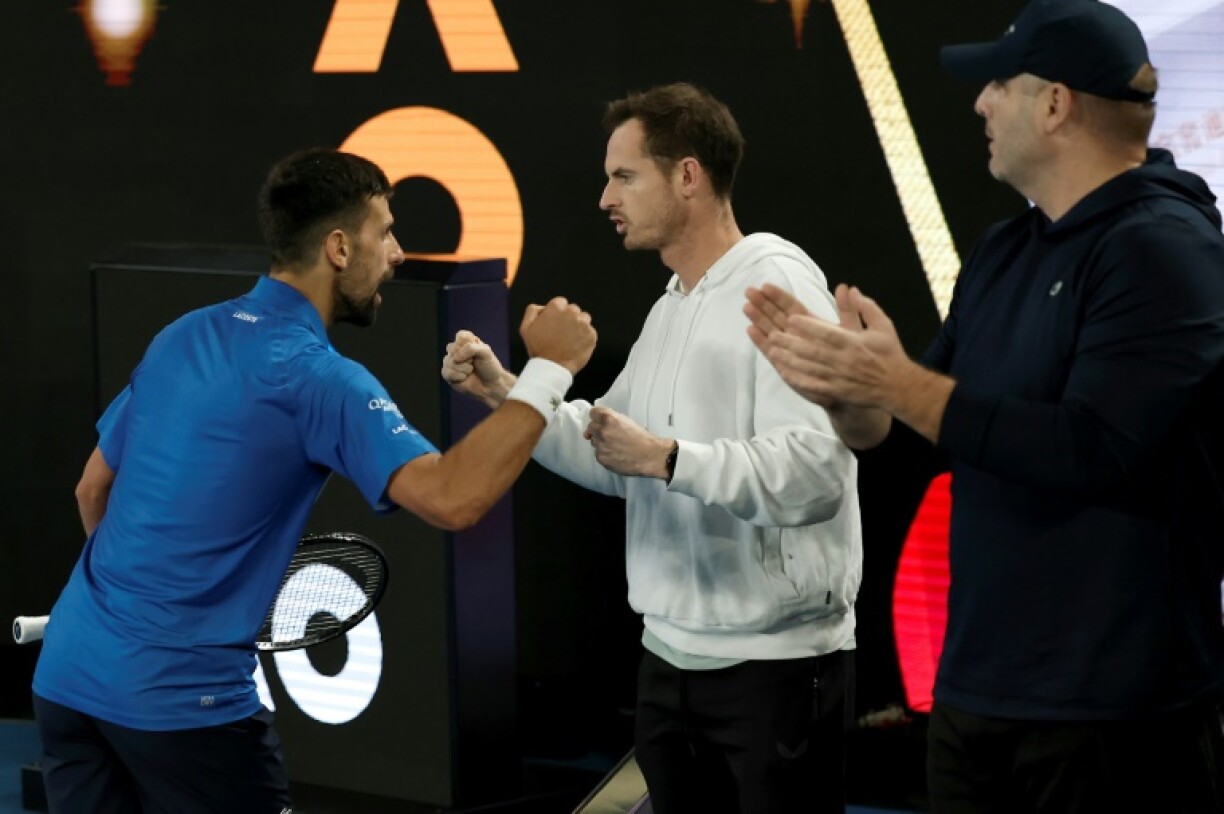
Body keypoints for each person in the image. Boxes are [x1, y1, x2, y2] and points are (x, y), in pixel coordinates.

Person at [745, 1, 1224, 811]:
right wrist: (846, 394)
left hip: (1116, 715)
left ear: (1055, 104)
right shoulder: (1005, 250)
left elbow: (1091, 448)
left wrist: (894, 381)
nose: (979, 104)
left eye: (998, 84)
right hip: (976, 697)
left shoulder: (1165, 249)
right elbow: (922, 431)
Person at [31, 148, 597, 814]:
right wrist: (549, 370)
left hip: (68, 676)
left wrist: (129, 619)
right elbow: (453, 498)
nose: (398, 253)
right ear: (337, 247)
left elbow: (92, 490)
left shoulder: (180, 336)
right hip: (187, 709)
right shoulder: (321, 380)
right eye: (384, 232)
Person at [442, 82, 861, 814]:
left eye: (624, 175)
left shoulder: (778, 283)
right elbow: (612, 449)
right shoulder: (673, 304)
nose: (606, 196)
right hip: (668, 663)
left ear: (689, 176)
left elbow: (815, 471)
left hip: (777, 669)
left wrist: (669, 459)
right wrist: (507, 391)